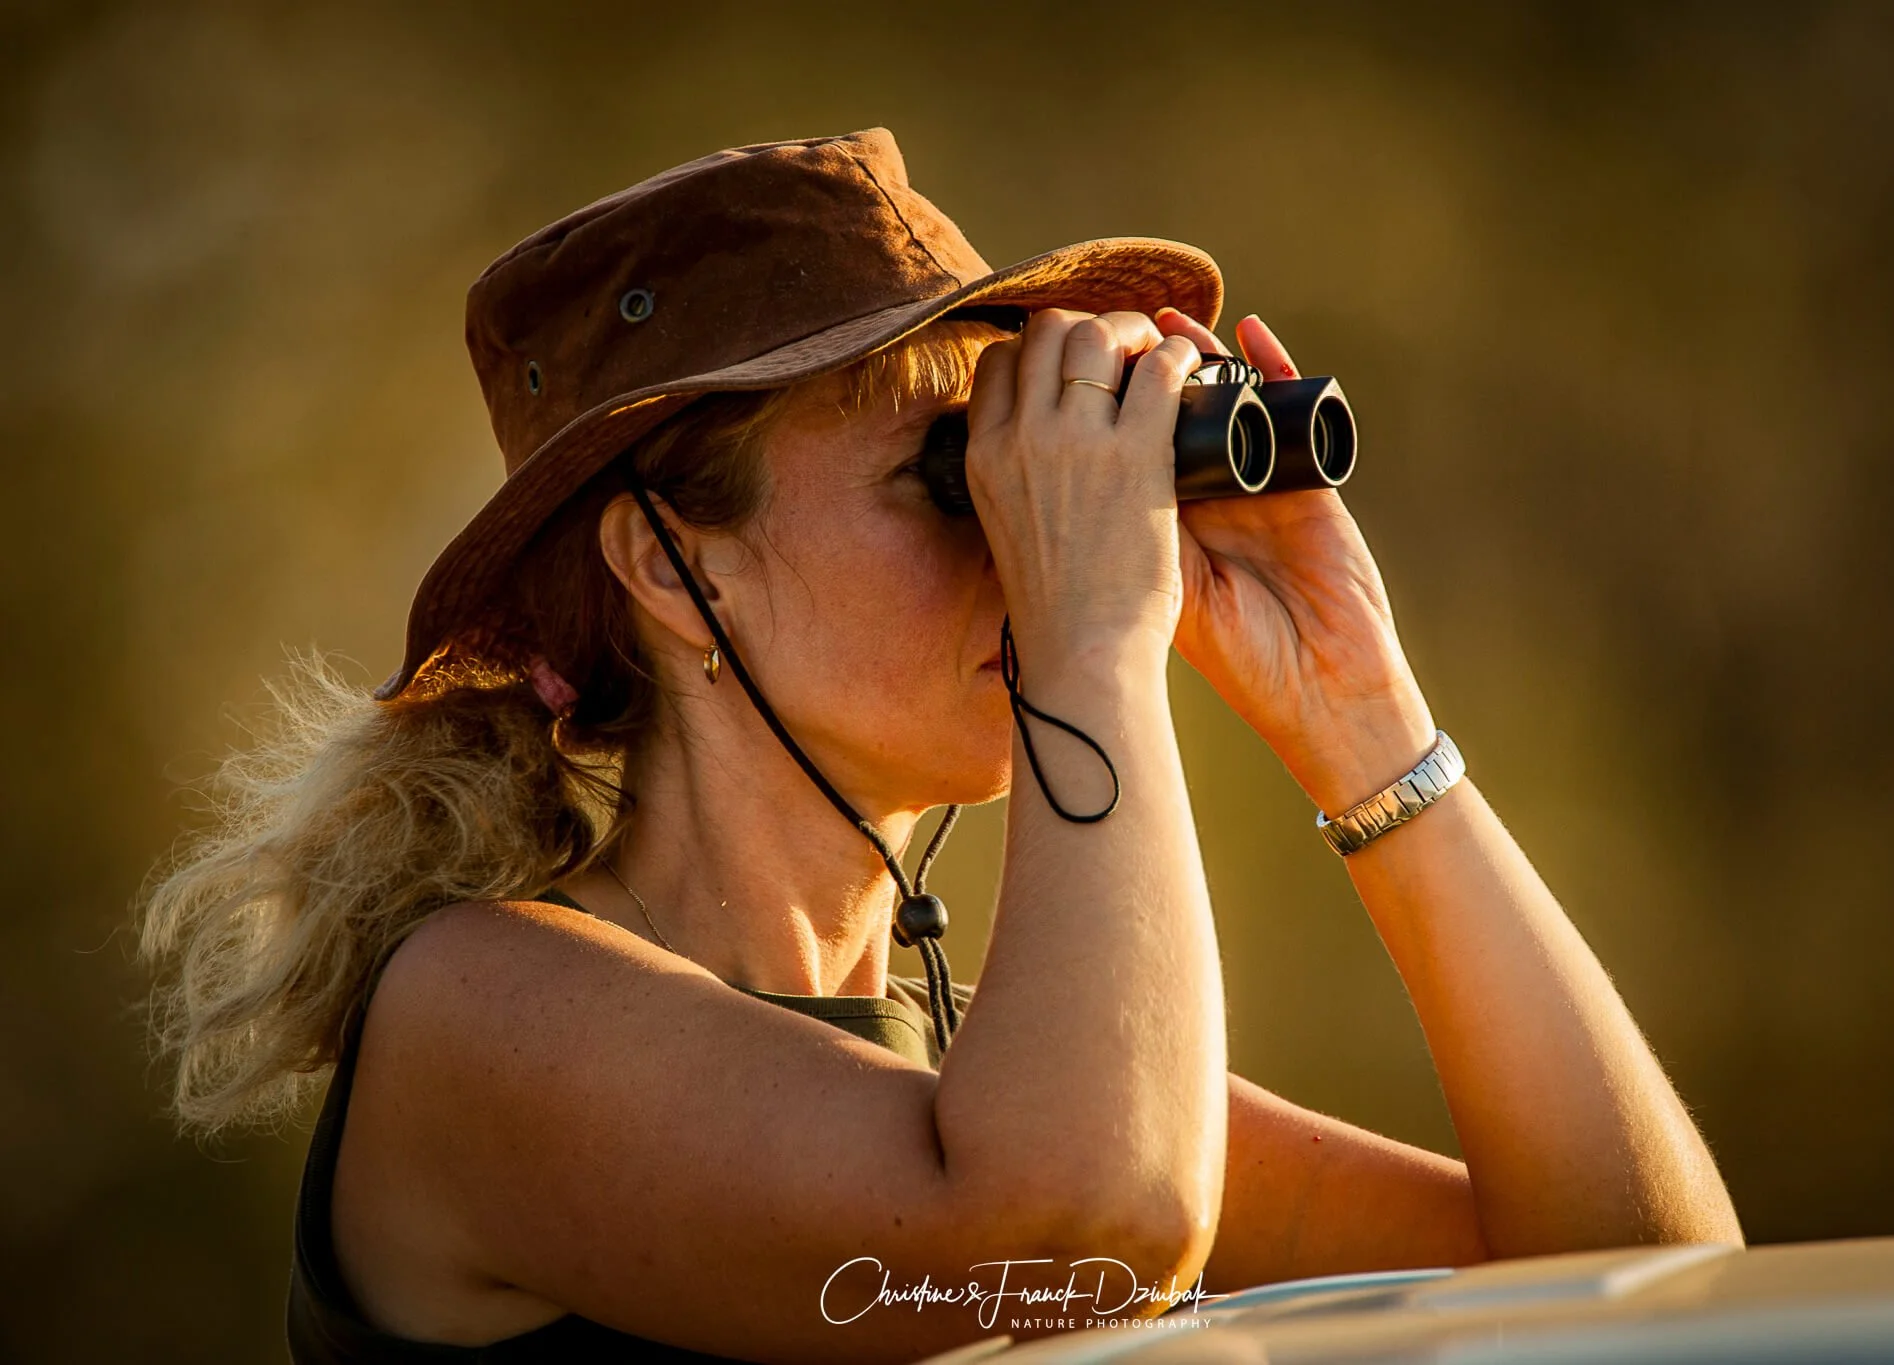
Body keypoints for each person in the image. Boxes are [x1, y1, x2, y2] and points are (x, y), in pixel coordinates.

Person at [137, 128, 1743, 1364]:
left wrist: (1362, 714)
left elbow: (1643, 1289)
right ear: (673, 567)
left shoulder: (982, 1081)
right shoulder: (478, 1012)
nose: (1021, 534)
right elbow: (1085, 1231)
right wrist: (1093, 630)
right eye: (952, 475)